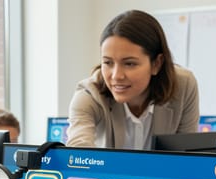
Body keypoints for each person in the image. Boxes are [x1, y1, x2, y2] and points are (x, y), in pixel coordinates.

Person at [67, 10, 199, 150]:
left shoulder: (184, 85)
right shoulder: (89, 95)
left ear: (156, 64)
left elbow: (187, 157)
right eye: (108, 62)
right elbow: (77, 158)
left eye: (129, 63)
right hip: (107, 172)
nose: (116, 76)